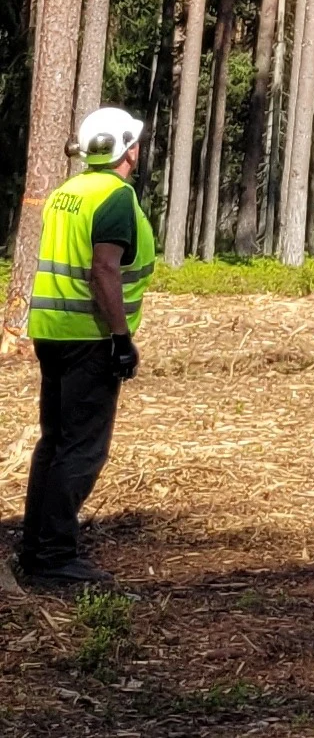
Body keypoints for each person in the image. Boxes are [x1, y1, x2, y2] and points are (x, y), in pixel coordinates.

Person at [18, 106, 155, 588]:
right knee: (82, 450)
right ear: (127, 151)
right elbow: (104, 270)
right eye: (135, 143)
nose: (138, 150)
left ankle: (33, 546)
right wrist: (121, 339)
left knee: (53, 442)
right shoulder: (115, 198)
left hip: (51, 331)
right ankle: (54, 557)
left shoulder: (67, 193)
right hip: (89, 337)